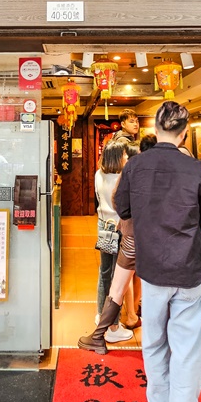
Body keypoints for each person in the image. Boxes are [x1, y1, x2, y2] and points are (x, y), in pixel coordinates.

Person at [114, 101, 201, 402]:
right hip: (189, 270)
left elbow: (123, 209)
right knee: (188, 350)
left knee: (154, 344)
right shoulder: (195, 169)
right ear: (185, 132)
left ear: (155, 128)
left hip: (152, 271)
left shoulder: (135, 165)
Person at [92, 139, 133, 345]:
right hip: (119, 229)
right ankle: (113, 326)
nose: (127, 158)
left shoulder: (98, 174)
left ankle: (101, 315)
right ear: (118, 157)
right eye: (124, 155)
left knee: (104, 274)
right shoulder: (123, 177)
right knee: (118, 279)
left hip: (103, 227)